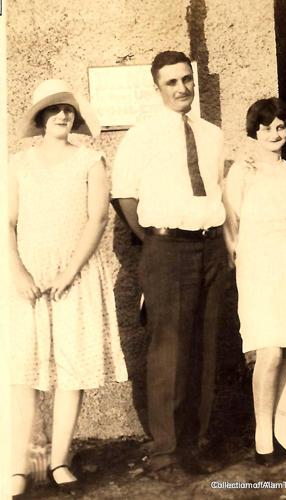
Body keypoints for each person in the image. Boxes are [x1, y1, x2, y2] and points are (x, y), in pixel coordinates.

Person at [111, 51, 228, 483]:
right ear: (157, 88)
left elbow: (216, 191)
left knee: (205, 349)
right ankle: (165, 456)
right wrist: (157, 243)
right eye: (171, 83)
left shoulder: (212, 134)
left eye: (186, 80)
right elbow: (125, 196)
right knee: (169, 355)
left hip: (211, 249)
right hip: (167, 251)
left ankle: (193, 448)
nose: (181, 89)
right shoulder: (142, 136)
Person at [9, 79, 128, 498]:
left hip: (74, 276)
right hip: (27, 275)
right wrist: (19, 273)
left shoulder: (90, 160)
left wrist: (69, 272)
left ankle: (59, 461)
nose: (63, 115)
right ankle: (28, 464)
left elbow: (97, 220)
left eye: (69, 110)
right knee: (25, 371)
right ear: (40, 117)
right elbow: (6, 222)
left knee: (71, 369)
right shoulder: (17, 163)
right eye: (54, 109)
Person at [223, 97, 286, 467]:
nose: (273, 133)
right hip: (256, 262)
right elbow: (230, 224)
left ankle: (284, 432)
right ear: (255, 131)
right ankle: (262, 436)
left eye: (280, 126)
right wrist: (240, 264)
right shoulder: (242, 171)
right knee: (268, 350)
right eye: (266, 127)